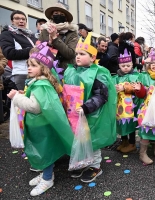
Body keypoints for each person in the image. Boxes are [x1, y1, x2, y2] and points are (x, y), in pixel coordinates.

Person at [7, 45, 74, 196]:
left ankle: (47, 178)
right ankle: (46, 174)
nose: (29, 68)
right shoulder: (38, 82)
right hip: (40, 125)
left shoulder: (42, 85)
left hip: (42, 126)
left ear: (43, 68)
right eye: (28, 65)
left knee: (45, 152)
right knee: (44, 151)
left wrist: (16, 98)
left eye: (33, 65)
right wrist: (22, 95)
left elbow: (35, 107)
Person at [64, 33, 117, 183]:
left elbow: (102, 95)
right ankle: (82, 163)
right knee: (79, 140)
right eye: (76, 54)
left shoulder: (98, 73)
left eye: (82, 54)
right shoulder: (71, 70)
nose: (78, 57)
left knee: (92, 141)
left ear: (93, 57)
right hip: (74, 114)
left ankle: (95, 166)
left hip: (91, 114)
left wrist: (87, 107)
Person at [0, 10, 37, 90]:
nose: (21, 21)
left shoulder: (31, 35)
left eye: (23, 19)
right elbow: (9, 53)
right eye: (17, 18)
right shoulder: (7, 34)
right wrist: (30, 51)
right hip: (22, 73)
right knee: (23, 100)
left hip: (37, 72)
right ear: (12, 21)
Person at [113, 48, 140, 153]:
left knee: (130, 124)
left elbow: (136, 88)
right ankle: (124, 141)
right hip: (120, 106)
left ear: (132, 65)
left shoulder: (135, 76)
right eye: (123, 66)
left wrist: (124, 88)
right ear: (119, 66)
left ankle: (132, 143)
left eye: (128, 66)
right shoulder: (116, 77)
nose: (125, 68)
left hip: (131, 106)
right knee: (121, 123)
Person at [39, 3, 78, 70]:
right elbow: (37, 50)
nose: (59, 16)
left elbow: (71, 54)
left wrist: (55, 38)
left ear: (65, 18)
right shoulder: (45, 30)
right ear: (52, 15)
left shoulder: (72, 32)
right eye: (56, 13)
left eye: (62, 14)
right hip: (47, 70)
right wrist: (49, 43)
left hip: (65, 71)